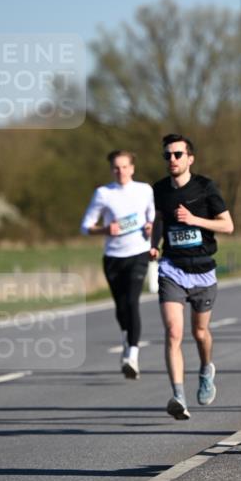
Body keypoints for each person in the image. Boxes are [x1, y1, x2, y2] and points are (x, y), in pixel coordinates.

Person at [151, 134, 234, 419]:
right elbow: (159, 220)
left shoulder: (205, 187)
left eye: (177, 154)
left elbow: (228, 225)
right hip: (172, 269)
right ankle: (178, 396)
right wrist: (152, 244)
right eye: (168, 156)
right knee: (174, 331)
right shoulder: (159, 190)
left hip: (203, 270)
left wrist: (195, 220)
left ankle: (206, 369)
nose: (172, 160)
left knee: (199, 332)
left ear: (190, 158)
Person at [80, 150, 155, 378]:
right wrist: (105, 229)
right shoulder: (103, 194)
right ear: (111, 170)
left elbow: (153, 216)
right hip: (113, 257)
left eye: (124, 167)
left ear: (132, 168)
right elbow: (85, 226)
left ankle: (132, 355)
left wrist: (152, 226)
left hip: (138, 253)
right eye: (116, 168)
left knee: (132, 302)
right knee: (121, 307)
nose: (120, 171)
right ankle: (126, 337)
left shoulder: (145, 190)